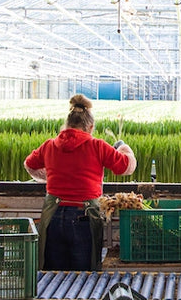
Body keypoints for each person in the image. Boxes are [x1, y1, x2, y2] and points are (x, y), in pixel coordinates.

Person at [24, 94, 137, 270]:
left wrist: (53, 176)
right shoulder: (97, 146)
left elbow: (29, 164)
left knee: (53, 276)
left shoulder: (49, 145)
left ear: (66, 124)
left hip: (53, 217)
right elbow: (125, 166)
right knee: (84, 278)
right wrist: (123, 147)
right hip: (84, 218)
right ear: (90, 127)